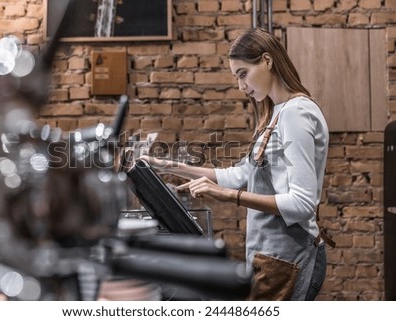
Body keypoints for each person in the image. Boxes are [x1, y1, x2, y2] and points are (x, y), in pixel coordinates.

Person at [142, 28, 333, 300]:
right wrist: (168, 166)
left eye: (243, 74)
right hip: (275, 255)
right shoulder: (278, 113)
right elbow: (240, 174)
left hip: (291, 257)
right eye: (236, 77)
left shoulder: (296, 113)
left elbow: (302, 205)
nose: (241, 86)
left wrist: (228, 196)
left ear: (267, 61)